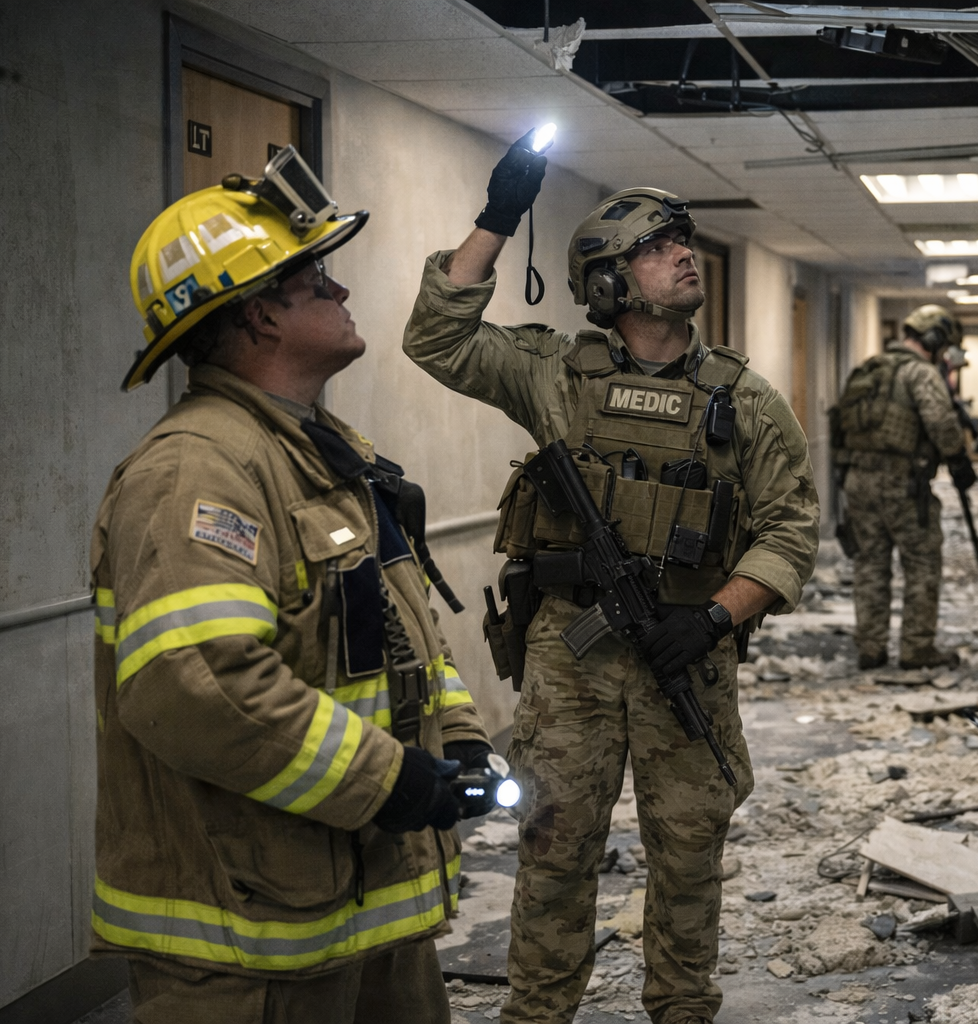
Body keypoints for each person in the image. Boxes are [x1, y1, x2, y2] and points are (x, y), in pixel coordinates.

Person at [402, 134, 819, 1024]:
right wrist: (496, 218)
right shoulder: (556, 373)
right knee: (554, 846)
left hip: (686, 654)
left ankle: (681, 1009)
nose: (683, 254)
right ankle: (538, 1014)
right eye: (657, 246)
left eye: (683, 239)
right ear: (608, 284)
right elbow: (436, 337)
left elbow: (792, 529)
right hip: (571, 652)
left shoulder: (744, 399)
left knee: (687, 851)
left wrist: (714, 617)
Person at [90, 149, 496, 1023]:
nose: (342, 293)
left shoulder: (326, 452)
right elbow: (201, 687)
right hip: (253, 948)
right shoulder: (196, 471)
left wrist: (457, 736)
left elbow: (401, 633)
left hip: (367, 912)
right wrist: (393, 781)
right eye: (317, 279)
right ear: (259, 316)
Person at [831, 304, 977, 671]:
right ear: (934, 339)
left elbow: (840, 424)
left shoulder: (868, 370)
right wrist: (959, 460)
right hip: (902, 482)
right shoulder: (920, 373)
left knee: (869, 563)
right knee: (922, 562)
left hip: (857, 480)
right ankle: (916, 648)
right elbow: (941, 422)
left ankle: (871, 647)